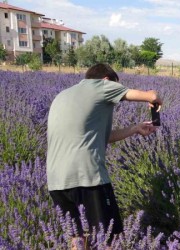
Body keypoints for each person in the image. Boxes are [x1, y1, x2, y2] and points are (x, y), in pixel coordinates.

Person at [46, 63, 163, 248]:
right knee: (108, 239)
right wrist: (154, 99)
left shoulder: (63, 95)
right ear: (107, 80)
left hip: (56, 182)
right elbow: (152, 95)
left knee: (78, 239)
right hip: (88, 178)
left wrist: (134, 129)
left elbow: (101, 137)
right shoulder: (102, 86)